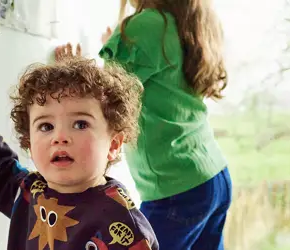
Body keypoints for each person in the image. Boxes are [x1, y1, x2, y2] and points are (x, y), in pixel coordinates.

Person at [55, 0, 232, 249]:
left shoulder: (145, 25)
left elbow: (107, 102)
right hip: (213, 177)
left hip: (176, 190)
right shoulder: (185, 25)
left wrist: (69, 72)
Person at [0, 57, 158, 250]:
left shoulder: (122, 223)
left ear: (113, 146)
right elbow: (0, 171)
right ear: (29, 143)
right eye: (46, 126)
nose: (60, 137)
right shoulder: (29, 192)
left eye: (80, 124)